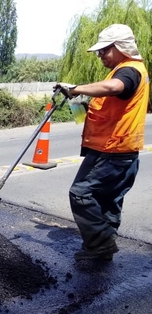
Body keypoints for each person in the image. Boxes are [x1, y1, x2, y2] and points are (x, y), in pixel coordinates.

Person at [56, 24, 149, 261]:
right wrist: (86, 105)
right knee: (107, 199)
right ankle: (104, 244)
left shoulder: (128, 70)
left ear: (120, 47)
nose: (100, 56)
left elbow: (114, 88)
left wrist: (75, 90)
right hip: (121, 150)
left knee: (81, 193)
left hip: (112, 150)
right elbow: (114, 102)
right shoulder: (127, 69)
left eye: (104, 50)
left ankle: (100, 244)